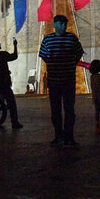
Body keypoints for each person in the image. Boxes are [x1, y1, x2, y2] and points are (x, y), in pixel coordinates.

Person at [39, 15, 85, 147]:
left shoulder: (72, 38)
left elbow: (78, 53)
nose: (64, 26)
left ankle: (69, 136)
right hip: (54, 80)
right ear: (55, 25)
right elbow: (44, 56)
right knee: (56, 109)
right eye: (61, 24)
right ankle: (58, 135)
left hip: (68, 80)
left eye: (65, 24)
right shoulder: (47, 39)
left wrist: (68, 63)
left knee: (69, 109)